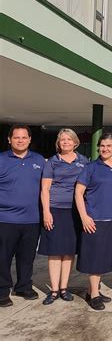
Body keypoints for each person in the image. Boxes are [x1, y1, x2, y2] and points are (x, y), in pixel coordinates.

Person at [75, 133, 112, 311]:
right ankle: (94, 296)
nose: (105, 149)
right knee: (95, 260)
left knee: (105, 258)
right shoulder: (90, 167)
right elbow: (78, 193)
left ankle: (92, 290)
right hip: (94, 220)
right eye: (102, 146)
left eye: (109, 146)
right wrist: (84, 217)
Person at [38, 128, 88, 305]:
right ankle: (53, 290)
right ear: (58, 143)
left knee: (68, 252)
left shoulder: (84, 161)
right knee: (54, 251)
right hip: (55, 210)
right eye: (62, 140)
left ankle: (64, 288)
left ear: (75, 142)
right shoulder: (52, 162)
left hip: (74, 211)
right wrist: (46, 212)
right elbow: (44, 189)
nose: (65, 142)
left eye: (69, 139)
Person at [0, 125, 45, 308]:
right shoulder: (1, 159)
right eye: (16, 137)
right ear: (9, 140)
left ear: (29, 139)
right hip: (5, 220)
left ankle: (24, 286)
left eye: (24, 137)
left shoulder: (39, 160)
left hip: (32, 219)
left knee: (27, 257)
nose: (20, 140)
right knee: (3, 257)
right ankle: (2, 290)